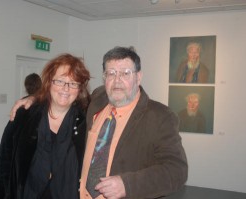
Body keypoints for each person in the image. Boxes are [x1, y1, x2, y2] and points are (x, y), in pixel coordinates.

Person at [10, 47, 188, 198]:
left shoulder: (160, 117)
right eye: (111, 73)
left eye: (125, 73)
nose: (117, 80)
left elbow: (177, 170)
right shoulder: (97, 99)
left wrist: (127, 184)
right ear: (104, 77)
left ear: (138, 77)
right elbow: (65, 96)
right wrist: (35, 98)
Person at [0, 53, 91, 199]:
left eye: (73, 83)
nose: (66, 88)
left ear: (79, 88)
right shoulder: (24, 115)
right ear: (49, 82)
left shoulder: (86, 122)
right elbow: (4, 164)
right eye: (60, 81)